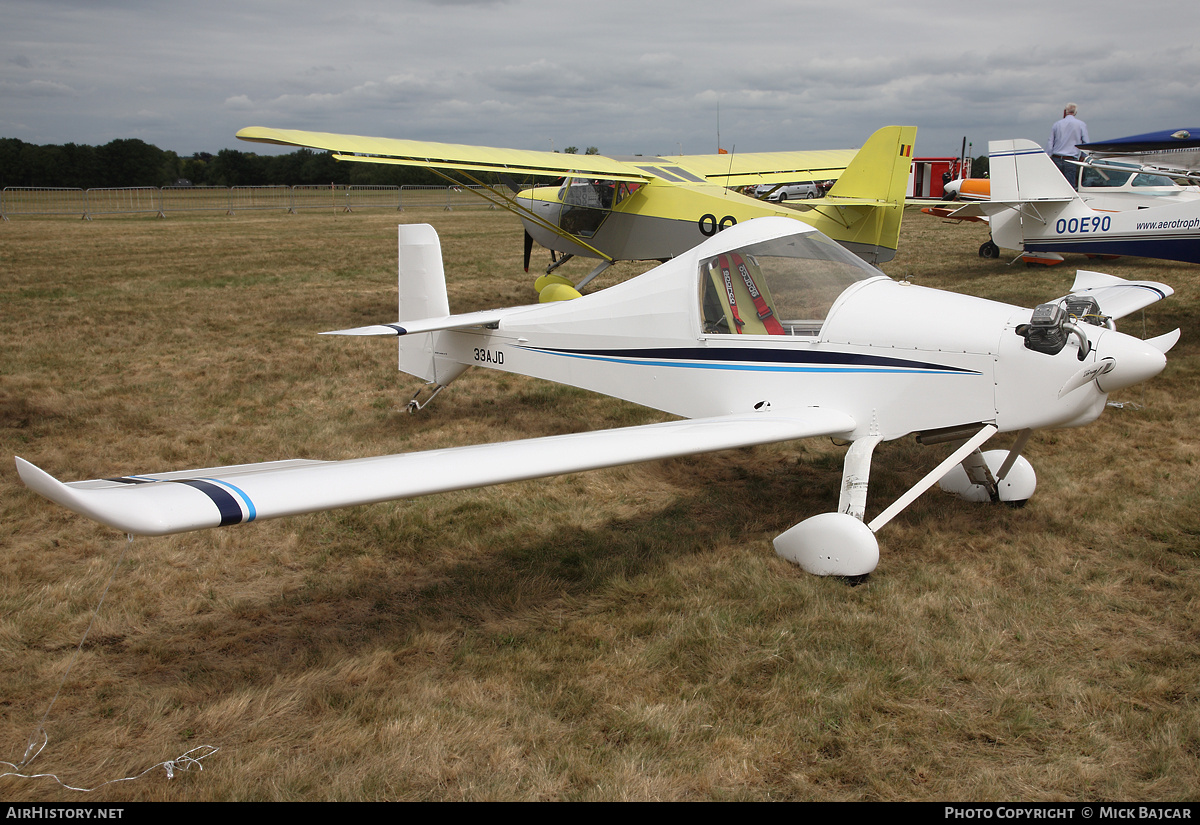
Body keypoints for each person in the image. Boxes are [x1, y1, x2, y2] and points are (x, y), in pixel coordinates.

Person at [1048, 104, 1089, 188]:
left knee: (1056, 186)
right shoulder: (1081, 124)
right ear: (1075, 113)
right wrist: (1083, 156)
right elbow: (1086, 143)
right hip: (1071, 159)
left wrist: (1048, 156)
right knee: (1070, 187)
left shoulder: (1057, 124)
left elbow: (1050, 142)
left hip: (1056, 158)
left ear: (1064, 112)